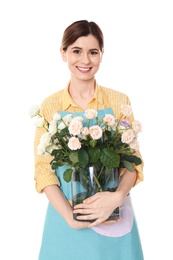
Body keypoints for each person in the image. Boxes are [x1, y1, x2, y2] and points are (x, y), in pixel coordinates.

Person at [33, 20, 144, 260]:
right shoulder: (51, 106)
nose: (85, 60)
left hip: (115, 216)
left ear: (102, 55)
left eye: (93, 52)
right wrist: (71, 220)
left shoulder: (118, 101)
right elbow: (43, 171)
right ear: (63, 53)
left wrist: (115, 198)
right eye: (76, 51)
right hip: (66, 220)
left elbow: (133, 163)